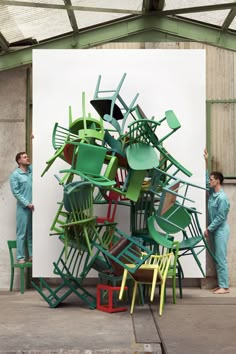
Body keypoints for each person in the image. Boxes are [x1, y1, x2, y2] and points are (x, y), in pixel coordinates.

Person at [204, 149, 230, 294]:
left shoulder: (222, 198)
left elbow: (220, 217)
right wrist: (206, 161)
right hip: (216, 230)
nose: (209, 181)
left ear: (217, 181)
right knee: (218, 259)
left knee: (221, 258)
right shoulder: (213, 194)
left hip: (220, 230)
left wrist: (209, 228)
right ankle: (221, 284)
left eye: (212, 179)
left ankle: (224, 287)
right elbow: (204, 181)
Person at [9, 152, 34, 264]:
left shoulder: (31, 171)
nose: (27, 158)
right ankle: (20, 257)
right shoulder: (15, 175)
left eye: (27, 156)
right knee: (22, 233)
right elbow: (16, 192)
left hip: (33, 208)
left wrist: (34, 138)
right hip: (23, 209)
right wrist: (27, 203)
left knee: (31, 233)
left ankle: (32, 255)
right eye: (24, 157)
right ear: (19, 161)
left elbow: (40, 163)